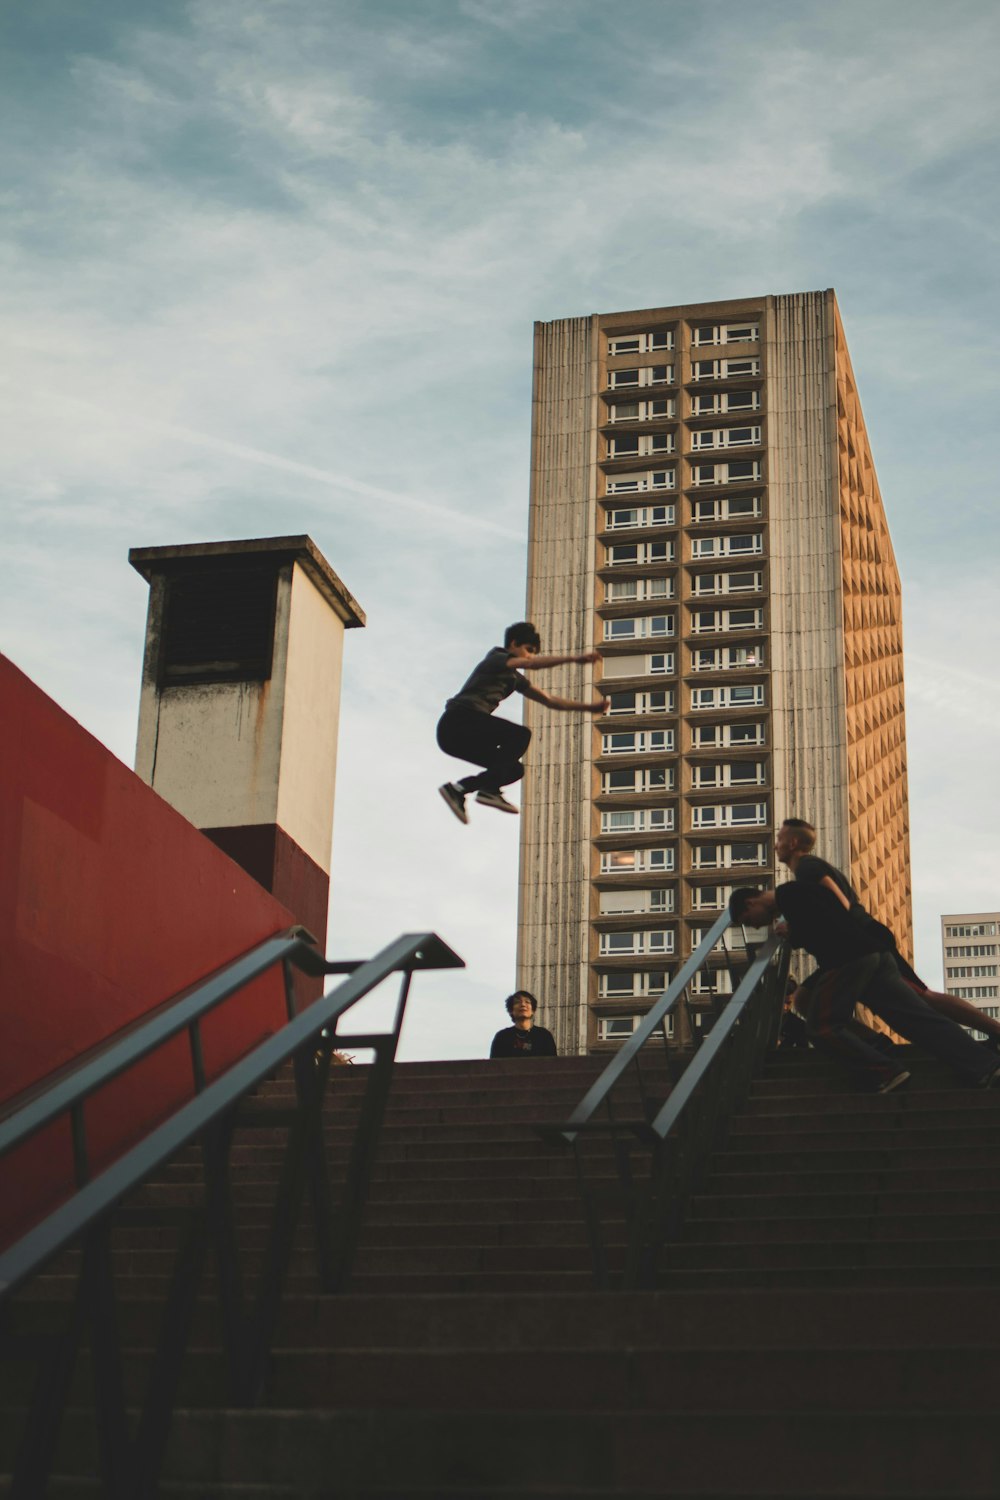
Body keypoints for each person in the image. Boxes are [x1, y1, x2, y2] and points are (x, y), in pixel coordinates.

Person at [729, 884, 1000, 1094]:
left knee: (821, 1026)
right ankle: (984, 1067)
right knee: (919, 1021)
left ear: (751, 901)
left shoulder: (789, 895)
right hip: (875, 956)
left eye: (747, 918)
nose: (754, 925)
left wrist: (792, 933)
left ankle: (885, 1071)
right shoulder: (802, 894)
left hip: (848, 960)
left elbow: (820, 927)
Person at [775, 818, 1000, 1050]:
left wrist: (794, 928)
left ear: (792, 843)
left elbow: (839, 903)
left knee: (923, 997)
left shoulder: (807, 867)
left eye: (779, 839)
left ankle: (995, 1030)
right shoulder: (808, 867)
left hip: (863, 941)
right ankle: (874, 1042)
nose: (776, 845)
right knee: (805, 998)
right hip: (849, 948)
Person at [437, 622, 607, 823]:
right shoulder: (497, 658)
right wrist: (574, 658)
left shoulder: (515, 679)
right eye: (528, 650)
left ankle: (459, 789)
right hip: (458, 721)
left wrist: (588, 708)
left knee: (513, 769)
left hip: (460, 739)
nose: (529, 656)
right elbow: (529, 664)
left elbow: (549, 700)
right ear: (513, 643)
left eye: (533, 653)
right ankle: (489, 789)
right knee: (520, 735)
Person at [489, 991, 557, 1057]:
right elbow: (494, 1065)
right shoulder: (502, 1037)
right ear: (511, 1011)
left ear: (533, 1011)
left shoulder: (544, 1036)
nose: (523, 1005)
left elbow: (553, 1064)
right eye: (517, 1002)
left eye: (527, 1002)